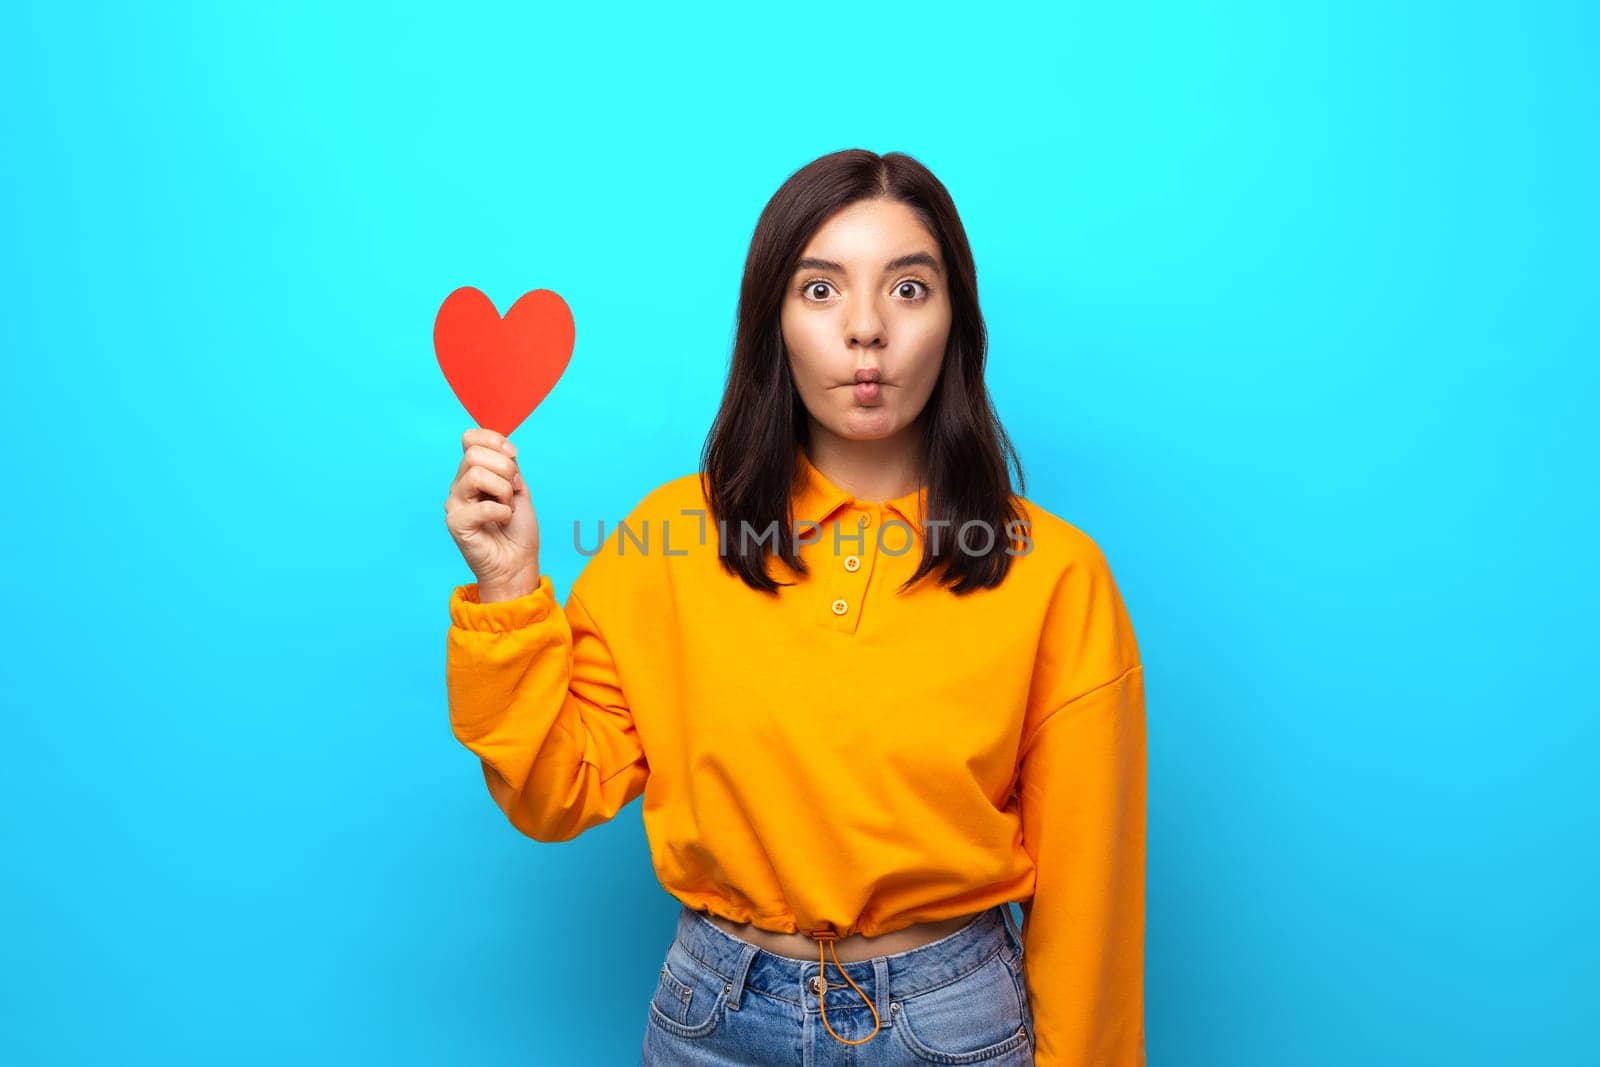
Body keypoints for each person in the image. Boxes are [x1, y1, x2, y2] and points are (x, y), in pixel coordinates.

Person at [442, 148, 1146, 1066]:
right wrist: (508, 587)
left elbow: (1092, 897)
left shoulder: (1053, 573)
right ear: (772, 321)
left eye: (907, 289)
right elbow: (550, 789)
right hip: (714, 1019)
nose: (864, 330)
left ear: (956, 322)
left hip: (954, 1024)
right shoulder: (670, 540)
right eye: (821, 290)